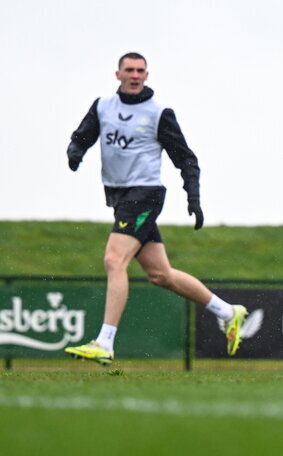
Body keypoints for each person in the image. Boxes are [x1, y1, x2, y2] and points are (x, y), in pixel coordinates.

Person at [63, 52, 247, 364]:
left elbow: (186, 158)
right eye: (129, 70)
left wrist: (194, 198)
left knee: (113, 259)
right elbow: (83, 135)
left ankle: (105, 342)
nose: (135, 75)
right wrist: (75, 151)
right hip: (120, 197)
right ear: (117, 74)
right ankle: (228, 312)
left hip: (145, 195)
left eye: (140, 71)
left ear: (147, 76)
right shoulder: (103, 106)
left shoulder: (159, 113)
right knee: (160, 275)